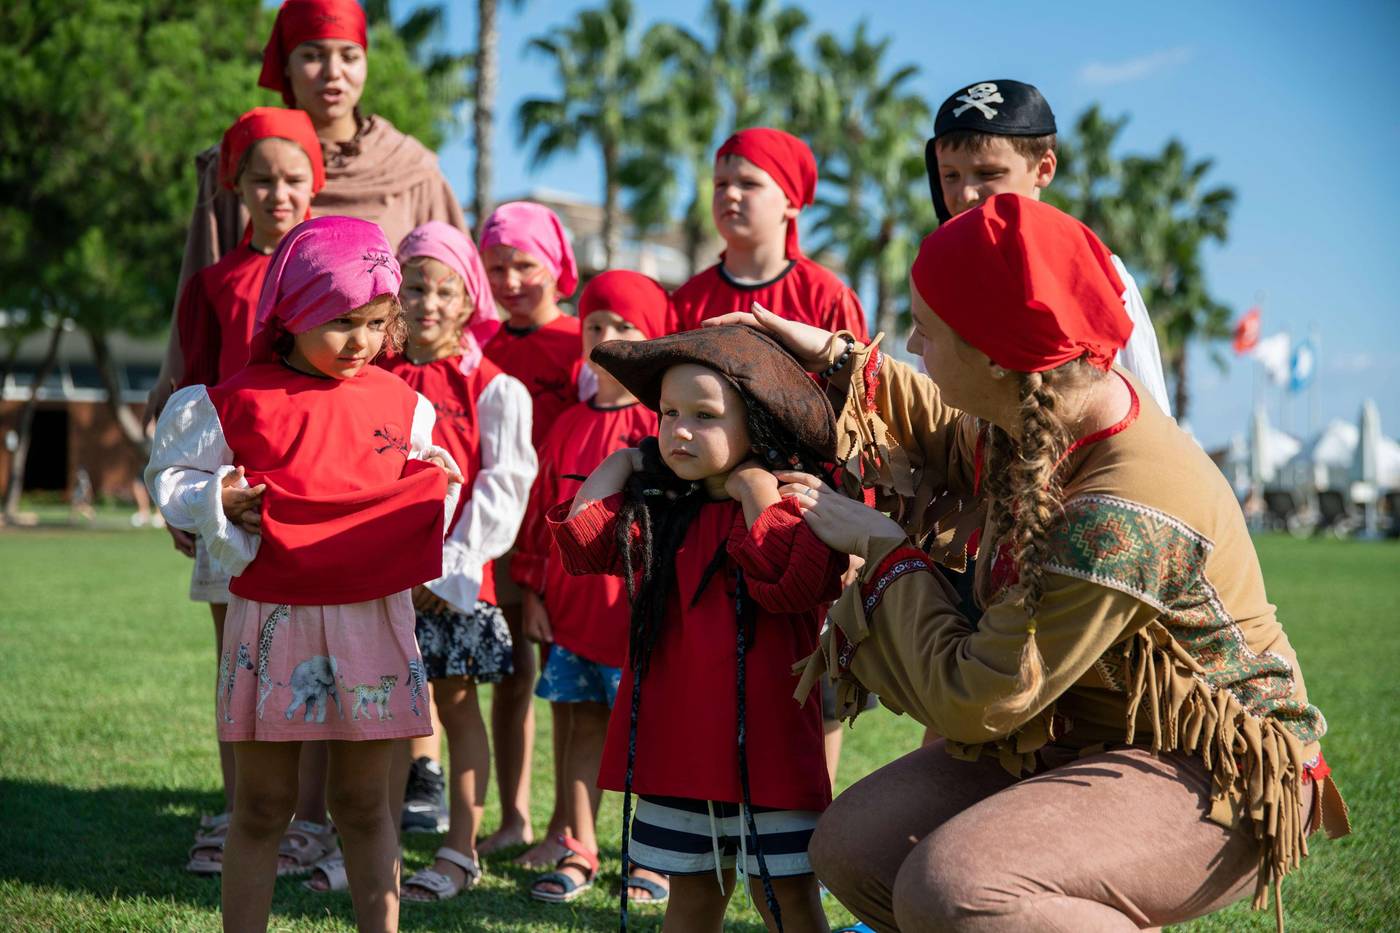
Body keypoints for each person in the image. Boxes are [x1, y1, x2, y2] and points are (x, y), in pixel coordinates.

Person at [713, 194, 1350, 932]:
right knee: (857, 847)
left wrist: (887, 552)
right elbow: (943, 423)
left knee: (955, 887)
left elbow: (981, 697)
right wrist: (829, 354)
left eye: (927, 330)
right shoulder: (1039, 410)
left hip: (1218, 770)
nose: (912, 342)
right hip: (1083, 737)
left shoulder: (1119, 507)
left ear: (996, 358)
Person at [146, 216, 464, 932]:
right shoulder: (229, 401)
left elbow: (428, 480)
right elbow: (169, 476)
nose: (362, 342)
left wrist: (437, 478)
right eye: (343, 321)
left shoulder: (403, 404)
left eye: (378, 322)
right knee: (260, 804)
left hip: (373, 623)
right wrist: (217, 496)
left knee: (363, 803)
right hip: (272, 620)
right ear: (290, 313)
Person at [549, 326, 848, 933]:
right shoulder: (660, 514)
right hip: (679, 741)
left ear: (758, 423)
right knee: (692, 896)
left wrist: (755, 486)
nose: (679, 429)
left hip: (770, 747)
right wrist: (624, 459)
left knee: (785, 895)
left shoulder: (798, 505)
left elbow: (790, 579)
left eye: (705, 415)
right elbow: (584, 542)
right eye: (668, 413)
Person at [147, 0, 466, 425]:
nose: (333, 73)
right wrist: (174, 376)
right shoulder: (234, 163)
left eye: (349, 56)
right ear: (285, 63)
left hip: (379, 407)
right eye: (312, 55)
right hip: (258, 406)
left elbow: (460, 292)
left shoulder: (410, 170)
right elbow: (199, 290)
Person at [170, 106, 329, 877]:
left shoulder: (333, 270)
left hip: (310, 490)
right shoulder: (214, 281)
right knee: (236, 661)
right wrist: (194, 498)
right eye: (261, 178)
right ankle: (238, 811)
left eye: (294, 177)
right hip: (232, 493)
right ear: (237, 185)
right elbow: (193, 396)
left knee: (316, 665)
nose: (278, 192)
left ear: (315, 183)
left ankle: (310, 820)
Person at [379, 221, 537, 902]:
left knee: (456, 704)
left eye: (445, 290)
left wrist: (451, 567)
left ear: (470, 299)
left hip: (449, 581)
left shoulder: (492, 385)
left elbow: (504, 482)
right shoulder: (372, 373)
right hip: (380, 578)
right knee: (380, 712)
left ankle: (459, 848)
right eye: (415, 286)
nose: (428, 302)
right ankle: (374, 843)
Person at [511, 271, 670, 906]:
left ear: (655, 340)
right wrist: (531, 589)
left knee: (646, 734)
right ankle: (578, 846)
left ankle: (651, 858)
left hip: (635, 617)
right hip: (571, 613)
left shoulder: (663, 427)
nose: (608, 338)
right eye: (596, 326)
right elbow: (536, 517)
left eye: (626, 328)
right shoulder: (566, 425)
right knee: (577, 727)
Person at [925, 78, 1171, 415]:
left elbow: (1147, 408)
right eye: (950, 176)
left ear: (1044, 168)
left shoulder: (1095, 270)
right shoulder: (938, 278)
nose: (966, 193)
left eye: (987, 173)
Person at [477, 200, 584, 862]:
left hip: (567, 537)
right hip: (501, 535)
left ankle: (567, 828)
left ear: (556, 265)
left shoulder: (583, 343)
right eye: (496, 267)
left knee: (566, 682)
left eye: (524, 264)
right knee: (511, 675)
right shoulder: (479, 343)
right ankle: (512, 816)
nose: (510, 280)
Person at [670, 127, 868, 341]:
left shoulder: (827, 298)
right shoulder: (688, 300)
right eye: (721, 184)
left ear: (791, 201)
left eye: (749, 183)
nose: (730, 194)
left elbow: (858, 372)